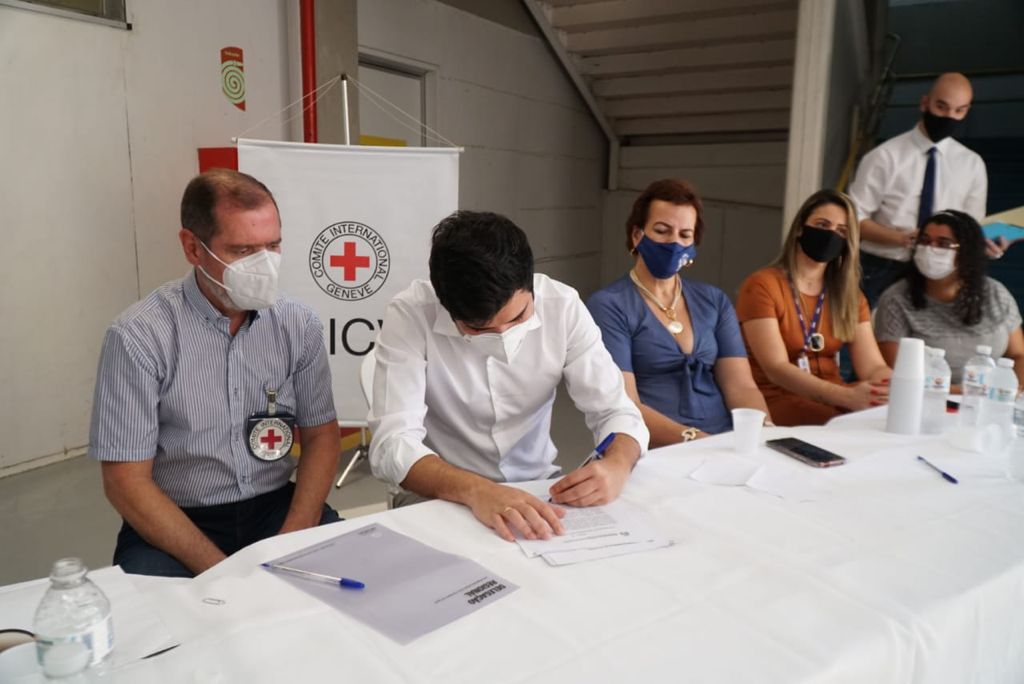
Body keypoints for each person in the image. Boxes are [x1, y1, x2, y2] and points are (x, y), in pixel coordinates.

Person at [89, 169, 341, 577]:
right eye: (243, 250)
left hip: (275, 507)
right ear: (193, 247)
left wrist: (291, 540)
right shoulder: (138, 336)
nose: (264, 265)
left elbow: (322, 436)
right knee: (164, 612)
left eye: (273, 246)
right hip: (177, 520)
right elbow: (125, 481)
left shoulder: (298, 324)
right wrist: (223, 574)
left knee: (353, 583)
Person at [368, 210, 649, 542]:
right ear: (446, 306)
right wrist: (477, 491)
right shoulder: (411, 314)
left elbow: (616, 410)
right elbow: (393, 444)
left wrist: (617, 465)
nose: (502, 336)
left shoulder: (562, 306)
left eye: (518, 317)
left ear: (530, 285)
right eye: (479, 329)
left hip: (538, 486)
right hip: (441, 494)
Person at [586, 179, 771, 445]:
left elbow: (741, 386)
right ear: (637, 235)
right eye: (662, 230)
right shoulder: (609, 305)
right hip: (656, 447)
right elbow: (625, 405)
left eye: (685, 235)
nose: (674, 242)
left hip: (723, 442)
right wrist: (699, 442)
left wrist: (765, 431)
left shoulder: (714, 300)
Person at [736, 189, 892, 426]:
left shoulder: (849, 295)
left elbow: (873, 367)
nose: (831, 235)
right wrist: (847, 397)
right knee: (858, 427)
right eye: (822, 225)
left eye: (841, 231)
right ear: (800, 227)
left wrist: (890, 387)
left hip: (835, 397)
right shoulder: (762, 285)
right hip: (778, 398)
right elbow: (776, 369)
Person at [848, 72, 991, 307]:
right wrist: (901, 238)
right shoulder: (884, 157)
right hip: (883, 265)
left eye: (959, 111)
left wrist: (987, 244)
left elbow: (972, 226)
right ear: (925, 103)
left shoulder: (972, 164)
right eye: (941, 107)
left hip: (942, 271)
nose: (949, 116)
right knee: (866, 328)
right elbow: (854, 218)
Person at [876, 209, 1024, 387]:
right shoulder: (896, 299)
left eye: (944, 244)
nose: (931, 249)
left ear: (967, 251)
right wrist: (971, 391)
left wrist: (1014, 390)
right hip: (926, 397)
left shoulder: (995, 293)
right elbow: (899, 374)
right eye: (924, 241)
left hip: (993, 398)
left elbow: (1019, 355)